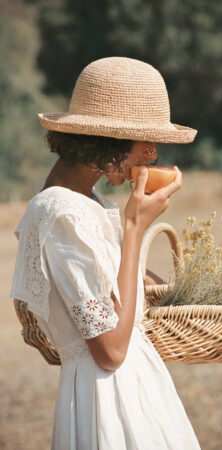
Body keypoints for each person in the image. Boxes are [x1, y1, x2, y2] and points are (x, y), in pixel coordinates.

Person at [11, 57, 201, 450]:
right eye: (145, 140)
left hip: (137, 387)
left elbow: (126, 294)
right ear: (109, 140)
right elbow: (111, 349)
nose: (152, 155)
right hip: (110, 398)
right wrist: (134, 228)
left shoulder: (89, 204)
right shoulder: (61, 214)